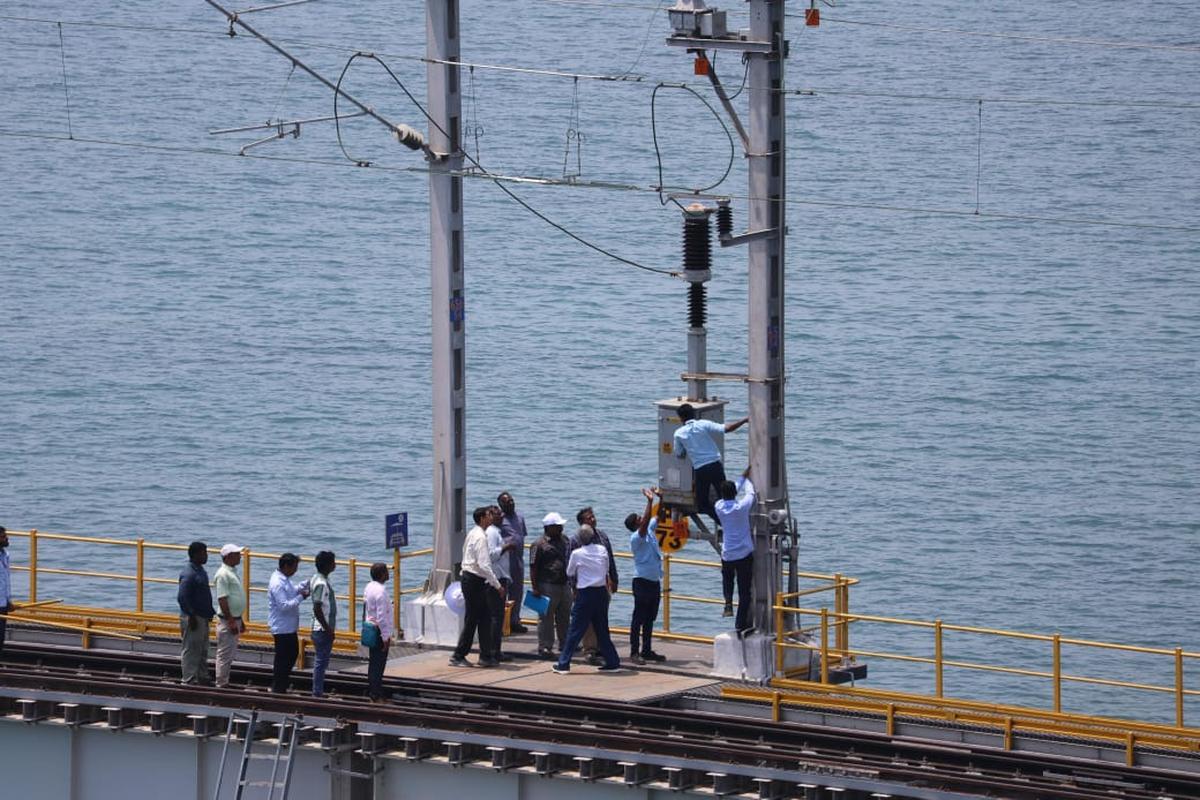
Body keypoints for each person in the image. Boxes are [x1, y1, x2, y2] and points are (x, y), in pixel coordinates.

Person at [553, 525, 620, 673]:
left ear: (579, 539)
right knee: (602, 629)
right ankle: (613, 661)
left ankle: (563, 663)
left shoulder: (577, 553)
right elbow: (607, 567)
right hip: (601, 592)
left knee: (575, 629)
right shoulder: (602, 550)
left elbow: (569, 572)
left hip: (585, 593)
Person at [672, 404, 749, 526]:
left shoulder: (678, 434)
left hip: (701, 470)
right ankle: (735, 520)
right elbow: (727, 428)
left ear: (681, 418)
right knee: (726, 498)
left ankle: (723, 523)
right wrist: (744, 420)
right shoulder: (703, 424)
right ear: (694, 414)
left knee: (702, 504)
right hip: (715, 466)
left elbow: (679, 454)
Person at [449, 506, 504, 667]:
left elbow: (465, 551)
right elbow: (484, 565)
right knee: (473, 619)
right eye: (488, 515)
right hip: (474, 580)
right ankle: (458, 655)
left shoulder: (473, 533)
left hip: (472, 579)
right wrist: (497, 585)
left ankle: (485, 656)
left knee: (484, 618)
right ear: (481, 518)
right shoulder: (480, 537)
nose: (491, 517)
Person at [570, 507, 619, 665]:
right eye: (589, 518)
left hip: (602, 585)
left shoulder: (602, 536)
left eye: (593, 517)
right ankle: (590, 650)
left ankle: (601, 648)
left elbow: (610, 559)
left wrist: (614, 578)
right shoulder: (576, 540)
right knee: (586, 621)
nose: (593, 520)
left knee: (601, 618)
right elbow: (570, 567)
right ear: (582, 522)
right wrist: (574, 588)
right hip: (583, 587)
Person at [624, 489, 666, 665]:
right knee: (638, 618)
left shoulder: (648, 530)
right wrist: (649, 501)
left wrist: (661, 498)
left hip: (654, 581)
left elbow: (660, 515)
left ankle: (646, 650)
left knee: (650, 618)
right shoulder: (636, 537)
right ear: (636, 524)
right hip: (641, 582)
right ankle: (634, 652)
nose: (643, 519)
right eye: (639, 519)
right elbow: (647, 519)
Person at [715, 471, 756, 635]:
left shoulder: (718, 506)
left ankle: (728, 603)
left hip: (728, 554)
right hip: (744, 555)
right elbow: (750, 493)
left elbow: (731, 493)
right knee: (745, 592)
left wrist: (740, 480)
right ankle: (741, 624)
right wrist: (747, 479)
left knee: (728, 581)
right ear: (734, 494)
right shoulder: (742, 507)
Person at [528, 512, 571, 659]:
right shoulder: (538, 545)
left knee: (564, 615)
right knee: (546, 618)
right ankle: (545, 646)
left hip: (564, 584)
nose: (561, 528)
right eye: (558, 526)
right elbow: (533, 567)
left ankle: (565, 643)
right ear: (549, 527)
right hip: (546, 585)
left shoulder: (565, 540)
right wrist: (535, 587)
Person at [267, 552, 310, 693]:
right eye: (294, 567)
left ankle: (281, 683)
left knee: (290, 654)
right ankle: (278, 686)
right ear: (286, 566)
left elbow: (291, 591)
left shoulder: (285, 579)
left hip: (288, 627)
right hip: (282, 627)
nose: (295, 570)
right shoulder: (277, 583)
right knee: (284, 657)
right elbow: (284, 605)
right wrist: (301, 597)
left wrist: (303, 585)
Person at [177, 541, 216, 684]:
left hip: (203, 616)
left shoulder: (200, 570)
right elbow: (182, 597)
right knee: (191, 649)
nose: (206, 555)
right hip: (193, 617)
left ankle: (202, 675)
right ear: (195, 555)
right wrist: (191, 615)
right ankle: (189, 679)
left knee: (203, 649)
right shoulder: (189, 573)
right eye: (203, 553)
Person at [212, 543, 245, 688]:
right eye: (237, 554)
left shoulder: (231, 571)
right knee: (225, 654)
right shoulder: (223, 574)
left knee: (229, 653)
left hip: (234, 618)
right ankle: (221, 683)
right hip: (228, 620)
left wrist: (239, 619)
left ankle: (224, 680)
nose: (240, 556)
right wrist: (231, 620)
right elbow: (222, 598)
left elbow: (232, 598)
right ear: (228, 556)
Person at [485, 504, 515, 662]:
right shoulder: (491, 533)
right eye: (496, 514)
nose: (501, 516)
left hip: (501, 577)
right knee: (496, 617)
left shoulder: (497, 532)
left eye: (501, 514)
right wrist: (505, 547)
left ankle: (495, 649)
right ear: (489, 516)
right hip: (496, 579)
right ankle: (493, 651)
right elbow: (490, 555)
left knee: (498, 616)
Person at [497, 491, 529, 634]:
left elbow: (522, 535)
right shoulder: (499, 520)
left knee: (517, 591)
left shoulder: (520, 517)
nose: (510, 503)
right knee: (503, 592)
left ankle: (515, 620)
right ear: (501, 505)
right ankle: (502, 623)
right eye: (506, 502)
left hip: (518, 559)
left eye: (511, 500)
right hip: (504, 560)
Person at [362, 562, 393, 702]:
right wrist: (386, 637)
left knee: (373, 662)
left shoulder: (369, 587)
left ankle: (373, 690)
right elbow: (381, 617)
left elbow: (366, 607)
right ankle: (376, 693)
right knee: (379, 664)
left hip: (370, 628)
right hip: (379, 632)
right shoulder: (381, 592)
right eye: (386, 571)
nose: (388, 573)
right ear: (381, 574)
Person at [309, 550, 337, 698]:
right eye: (333, 562)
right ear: (327, 565)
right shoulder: (320, 583)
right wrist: (327, 629)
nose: (335, 565)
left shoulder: (318, 579)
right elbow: (317, 606)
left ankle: (318, 690)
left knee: (322, 660)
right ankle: (317, 692)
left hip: (321, 628)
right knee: (321, 661)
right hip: (321, 629)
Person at [0, 526, 11, 656]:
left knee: (0, 638)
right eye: (3, 537)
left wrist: (9, 601)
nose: (7, 538)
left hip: (2, 604)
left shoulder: (5, 556)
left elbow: (6, 581)